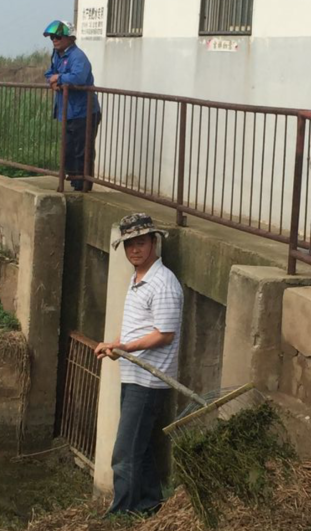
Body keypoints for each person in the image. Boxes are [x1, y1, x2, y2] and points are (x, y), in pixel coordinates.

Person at [95, 213, 183, 516]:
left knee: (124, 453)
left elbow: (164, 334)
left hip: (149, 380)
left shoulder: (163, 283)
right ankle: (149, 505)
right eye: (129, 244)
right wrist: (114, 344)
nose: (134, 249)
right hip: (133, 375)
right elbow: (136, 329)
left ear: (153, 242)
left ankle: (120, 514)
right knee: (139, 447)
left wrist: (125, 348)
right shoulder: (137, 279)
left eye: (141, 243)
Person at [43, 19, 101, 192]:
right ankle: (75, 181)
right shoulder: (57, 55)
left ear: (69, 38)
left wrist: (59, 78)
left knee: (83, 150)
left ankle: (84, 185)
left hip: (84, 112)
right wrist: (52, 80)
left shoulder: (77, 57)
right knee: (68, 150)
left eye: (58, 37)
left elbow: (78, 77)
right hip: (68, 111)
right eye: (52, 37)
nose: (54, 40)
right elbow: (50, 73)